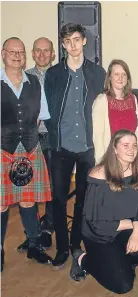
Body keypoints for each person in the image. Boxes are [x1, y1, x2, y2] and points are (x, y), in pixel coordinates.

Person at [44, 23, 106, 270]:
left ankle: (76, 244)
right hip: (61, 147)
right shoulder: (54, 74)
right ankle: (61, 248)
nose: (73, 45)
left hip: (87, 149)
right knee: (58, 199)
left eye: (77, 40)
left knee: (83, 199)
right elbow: (47, 109)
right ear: (63, 44)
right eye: (68, 41)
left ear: (85, 42)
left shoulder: (97, 73)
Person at [69, 129, 138, 293]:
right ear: (114, 149)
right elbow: (95, 224)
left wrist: (136, 234)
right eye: (125, 145)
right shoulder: (99, 175)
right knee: (123, 286)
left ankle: (119, 261)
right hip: (100, 235)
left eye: (134, 145)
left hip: (125, 229)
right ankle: (82, 259)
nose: (131, 150)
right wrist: (133, 224)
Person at [1, 37, 53, 272]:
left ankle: (34, 245)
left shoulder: (34, 82)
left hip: (30, 147)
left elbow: (40, 115)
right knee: (1, 204)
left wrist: (27, 136)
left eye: (21, 52)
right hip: (3, 149)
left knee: (28, 199)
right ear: (3, 54)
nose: (17, 55)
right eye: (12, 51)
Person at [17, 37, 56, 252]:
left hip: (50, 137)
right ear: (32, 54)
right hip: (28, 139)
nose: (42, 55)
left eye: (46, 51)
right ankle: (32, 232)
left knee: (50, 186)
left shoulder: (58, 76)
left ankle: (48, 228)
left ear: (52, 54)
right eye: (38, 51)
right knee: (28, 187)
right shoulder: (23, 77)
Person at [92, 59, 138, 165]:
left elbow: (136, 132)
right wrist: (101, 163)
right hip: (111, 160)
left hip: (131, 158)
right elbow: (98, 137)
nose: (120, 78)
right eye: (116, 74)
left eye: (124, 74)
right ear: (110, 77)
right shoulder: (102, 100)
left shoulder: (133, 99)